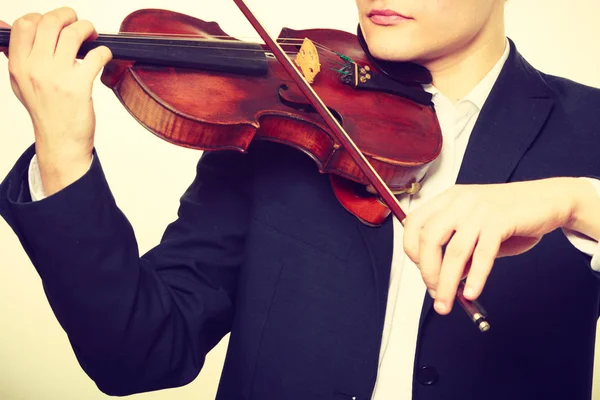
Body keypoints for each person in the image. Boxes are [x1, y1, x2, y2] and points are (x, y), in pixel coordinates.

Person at [1, 1, 600, 399]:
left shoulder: (589, 129)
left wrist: (577, 203)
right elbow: (138, 352)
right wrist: (63, 152)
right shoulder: (290, 116)